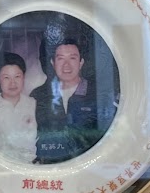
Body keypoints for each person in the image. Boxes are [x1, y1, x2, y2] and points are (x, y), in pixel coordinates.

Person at [31, 35, 114, 163]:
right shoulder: (38, 96)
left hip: (91, 165)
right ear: (53, 63)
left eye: (72, 58)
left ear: (81, 62)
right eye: (60, 59)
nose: (66, 65)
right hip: (49, 166)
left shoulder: (98, 94)